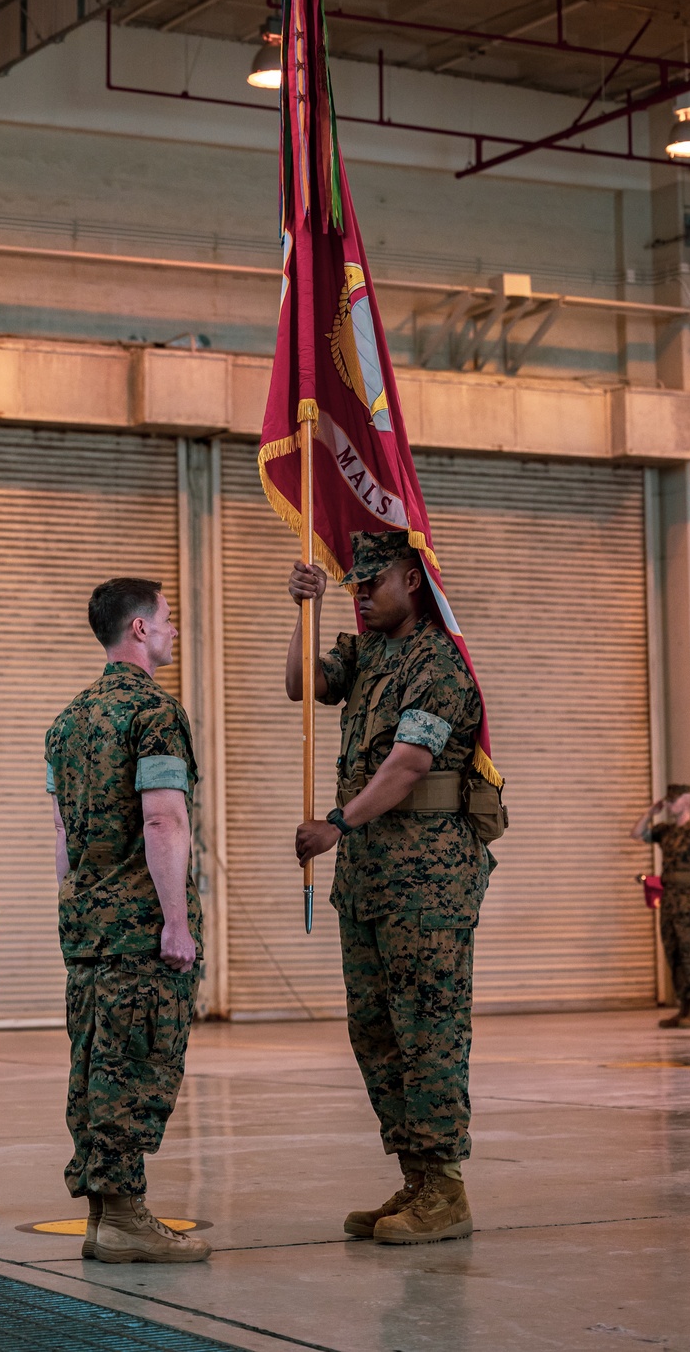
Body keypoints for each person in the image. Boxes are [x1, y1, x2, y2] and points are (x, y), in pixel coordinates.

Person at [287, 531, 493, 1246]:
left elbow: (407, 764)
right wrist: (306, 611)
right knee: (375, 1033)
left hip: (428, 882)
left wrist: (337, 823)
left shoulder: (438, 663)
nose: (363, 595)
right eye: (353, 586)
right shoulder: (367, 652)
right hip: (371, 881)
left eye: (373, 583)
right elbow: (301, 686)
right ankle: (414, 1179)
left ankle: (446, 1188)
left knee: (428, 1033)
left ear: (413, 577)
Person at [45, 577, 210, 1265]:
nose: (173, 630)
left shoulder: (68, 721)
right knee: (136, 1067)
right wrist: (176, 921)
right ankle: (122, 1218)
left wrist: (79, 907)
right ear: (139, 629)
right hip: (141, 929)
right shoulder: (154, 714)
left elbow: (60, 837)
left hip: (88, 928)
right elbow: (163, 817)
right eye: (166, 619)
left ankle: (102, 1216)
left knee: (93, 1068)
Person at [632, 784, 690, 1029]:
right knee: (673, 953)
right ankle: (685, 1006)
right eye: (668, 801)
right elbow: (637, 834)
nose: (670, 806)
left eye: (674, 801)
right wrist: (651, 812)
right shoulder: (667, 831)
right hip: (670, 899)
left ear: (688, 800)